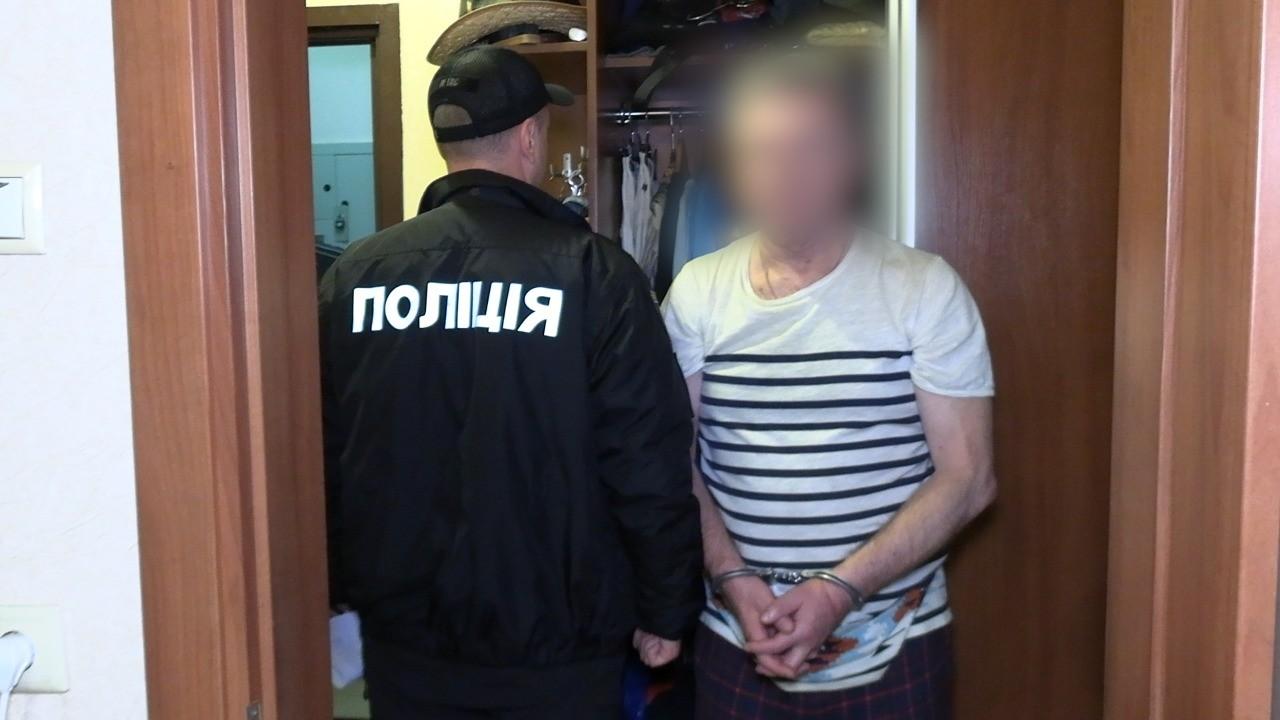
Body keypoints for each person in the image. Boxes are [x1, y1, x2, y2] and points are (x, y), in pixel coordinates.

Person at [318, 46, 704, 720]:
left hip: (404, 645)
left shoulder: (357, 275)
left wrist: (332, 586)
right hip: (558, 653)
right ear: (530, 136)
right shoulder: (593, 275)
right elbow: (645, 460)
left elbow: (321, 452)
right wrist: (666, 607)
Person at [663, 54, 997, 719]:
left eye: (809, 148)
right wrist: (733, 578)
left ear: (850, 159)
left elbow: (970, 478)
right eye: (763, 152)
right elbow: (674, 464)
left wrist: (838, 591)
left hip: (893, 647)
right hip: (738, 640)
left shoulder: (923, 289)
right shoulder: (696, 293)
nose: (785, 175)